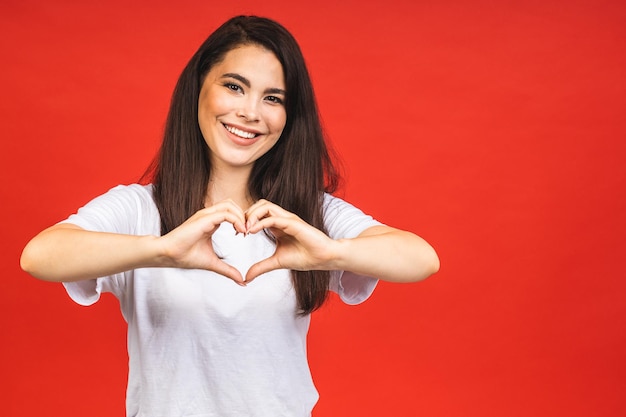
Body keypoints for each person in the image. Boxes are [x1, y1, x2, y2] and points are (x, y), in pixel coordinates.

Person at [20, 15, 439, 417]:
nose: (251, 112)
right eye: (235, 87)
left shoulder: (304, 215)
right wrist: (162, 250)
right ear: (198, 88)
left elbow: (421, 259)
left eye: (273, 98)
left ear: (289, 118)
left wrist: (331, 253)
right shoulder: (140, 208)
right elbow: (40, 255)